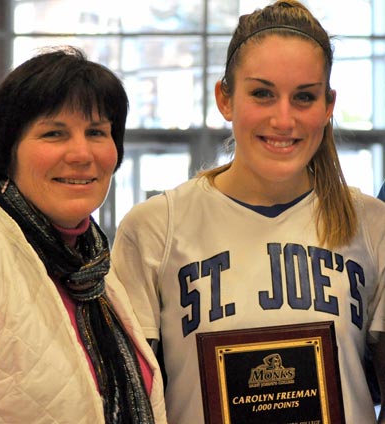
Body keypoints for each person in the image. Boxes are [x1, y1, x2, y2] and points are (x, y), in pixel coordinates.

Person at [110, 1, 385, 423]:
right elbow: (131, 402)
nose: (283, 119)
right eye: (262, 93)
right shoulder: (155, 228)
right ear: (225, 98)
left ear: (328, 106)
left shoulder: (372, 225)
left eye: (304, 97)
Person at [0, 46, 167, 423]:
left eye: (96, 132)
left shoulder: (96, 271)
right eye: (54, 133)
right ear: (8, 151)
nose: (81, 153)